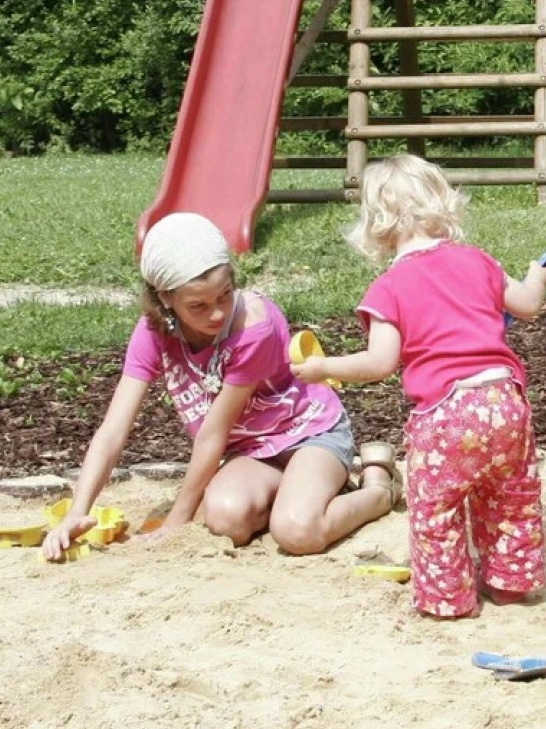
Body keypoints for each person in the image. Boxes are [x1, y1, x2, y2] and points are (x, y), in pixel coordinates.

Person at [43, 213, 398, 563]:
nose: (216, 314)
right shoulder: (152, 332)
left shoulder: (254, 326)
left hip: (310, 433)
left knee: (297, 532)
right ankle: (297, 493)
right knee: (227, 521)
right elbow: (114, 429)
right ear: (165, 298)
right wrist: (78, 510)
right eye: (198, 305)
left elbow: (214, 433)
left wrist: (177, 521)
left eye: (225, 295)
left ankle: (379, 489)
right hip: (253, 450)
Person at [291, 154, 546, 619]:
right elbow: (529, 305)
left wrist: (323, 367)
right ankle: (511, 582)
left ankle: (449, 600)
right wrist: (538, 274)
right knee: (509, 495)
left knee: (437, 509)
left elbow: (380, 362)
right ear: (442, 203)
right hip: (504, 400)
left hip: (446, 414)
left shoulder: (389, 287)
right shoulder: (478, 260)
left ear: (376, 225)